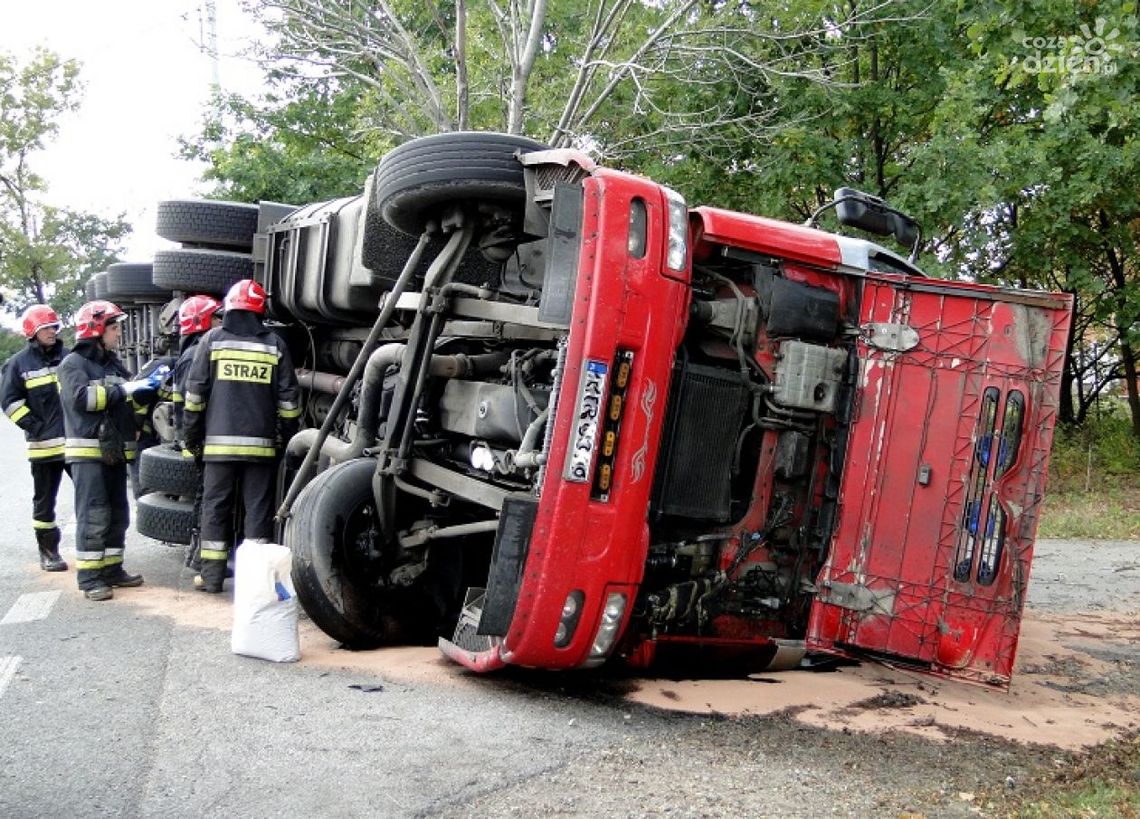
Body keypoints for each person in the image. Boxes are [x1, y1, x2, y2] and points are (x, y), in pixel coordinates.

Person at [183, 280, 301, 593]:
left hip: (218, 448)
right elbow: (289, 402)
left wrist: (191, 438)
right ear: (260, 310)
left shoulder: (211, 340)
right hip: (260, 450)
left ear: (230, 307)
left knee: (215, 509)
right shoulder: (274, 344)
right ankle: (255, 582)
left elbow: (194, 396)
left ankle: (211, 578)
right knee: (257, 512)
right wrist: (289, 441)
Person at [57, 300, 166, 601]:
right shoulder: (73, 364)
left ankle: (112, 569)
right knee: (93, 515)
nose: (119, 334)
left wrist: (146, 390)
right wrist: (125, 390)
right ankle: (91, 578)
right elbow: (84, 400)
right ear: (96, 329)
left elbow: (128, 402)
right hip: (89, 453)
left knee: (118, 513)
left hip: (114, 452)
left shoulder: (113, 364)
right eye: (115, 328)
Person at [1, 304, 70, 571]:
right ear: (33, 331)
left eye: (54, 326)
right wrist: (36, 427)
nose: (52, 331)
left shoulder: (69, 357)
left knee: (90, 496)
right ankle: (49, 552)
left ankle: (95, 551)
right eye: (45, 328)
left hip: (75, 444)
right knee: (44, 502)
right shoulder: (18, 364)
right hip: (43, 448)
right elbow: (9, 403)